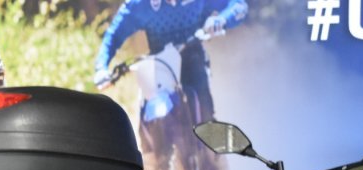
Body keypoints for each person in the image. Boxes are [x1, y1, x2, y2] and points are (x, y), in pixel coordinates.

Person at [93, 0, 248, 124]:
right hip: (159, 65)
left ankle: (212, 149)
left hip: (193, 58)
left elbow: (239, 5)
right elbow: (113, 35)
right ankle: (150, 151)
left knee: (205, 111)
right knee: (149, 113)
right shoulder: (140, 4)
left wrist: (222, 19)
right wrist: (101, 68)